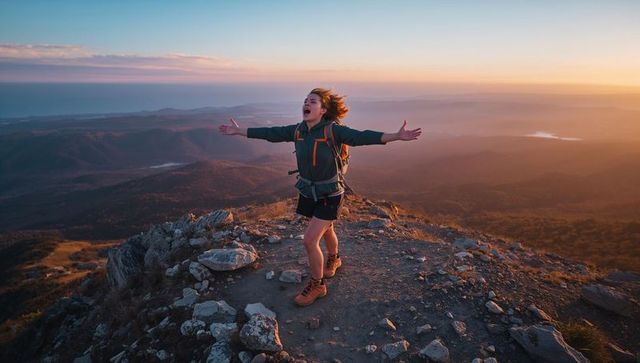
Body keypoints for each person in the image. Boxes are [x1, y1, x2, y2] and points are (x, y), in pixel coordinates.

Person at [218, 88, 421, 306]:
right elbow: (271, 133)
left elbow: (361, 137)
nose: (307, 104)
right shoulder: (298, 130)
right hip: (308, 191)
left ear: (323, 110)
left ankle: (318, 285)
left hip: (330, 193)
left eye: (313, 101)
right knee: (327, 229)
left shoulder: (333, 130)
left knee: (309, 240)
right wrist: (240, 132)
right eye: (305, 101)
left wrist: (396, 136)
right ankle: (335, 258)